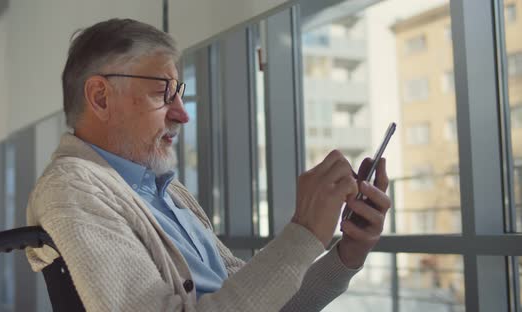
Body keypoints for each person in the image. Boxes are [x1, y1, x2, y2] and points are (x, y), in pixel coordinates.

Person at [26, 18, 391, 311]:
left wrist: (347, 254)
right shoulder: (72, 189)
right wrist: (304, 233)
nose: (183, 114)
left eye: (179, 93)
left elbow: (265, 302)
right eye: (162, 92)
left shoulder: (167, 192)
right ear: (101, 97)